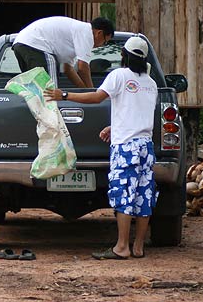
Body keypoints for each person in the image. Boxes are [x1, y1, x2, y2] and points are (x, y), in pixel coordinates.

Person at [44, 36, 158, 260]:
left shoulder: (118, 75)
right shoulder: (150, 83)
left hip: (126, 146)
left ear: (124, 55)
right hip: (146, 146)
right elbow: (139, 112)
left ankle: (121, 247)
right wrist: (114, 126)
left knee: (123, 193)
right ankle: (138, 247)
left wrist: (63, 94)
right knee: (144, 194)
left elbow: (97, 97)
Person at [13, 16, 115, 88]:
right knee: (51, 94)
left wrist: (84, 91)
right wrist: (92, 93)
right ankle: (51, 118)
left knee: (35, 91)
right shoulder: (86, 32)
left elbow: (68, 70)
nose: (101, 45)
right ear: (99, 33)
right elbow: (83, 67)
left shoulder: (74, 38)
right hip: (37, 45)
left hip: (20, 44)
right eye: (105, 42)